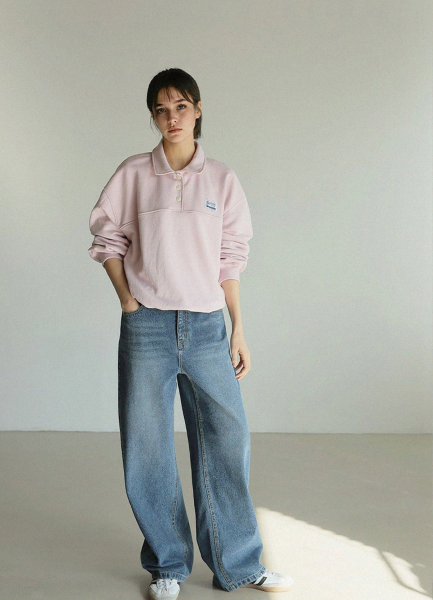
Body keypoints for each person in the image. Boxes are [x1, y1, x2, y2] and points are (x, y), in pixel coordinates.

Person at [88, 68, 294, 599]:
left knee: (227, 440)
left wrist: (238, 328)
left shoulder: (221, 179)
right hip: (148, 329)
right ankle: (168, 565)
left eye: (180, 106)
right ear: (153, 117)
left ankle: (239, 564)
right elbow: (107, 237)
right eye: (161, 110)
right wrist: (127, 300)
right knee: (147, 447)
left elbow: (231, 256)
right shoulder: (134, 173)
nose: (172, 118)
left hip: (206, 328)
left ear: (198, 110)